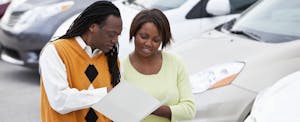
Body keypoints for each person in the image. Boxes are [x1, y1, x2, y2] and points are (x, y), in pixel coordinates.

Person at [39, 1, 122, 122]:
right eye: (111, 34)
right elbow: (60, 101)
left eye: (118, 35)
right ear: (92, 27)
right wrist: (105, 93)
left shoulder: (113, 59)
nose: (115, 40)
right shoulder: (56, 51)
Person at [122, 9, 196, 122]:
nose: (148, 44)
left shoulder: (175, 63)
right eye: (144, 36)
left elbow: (189, 110)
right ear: (134, 33)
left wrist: (152, 109)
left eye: (156, 40)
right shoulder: (121, 67)